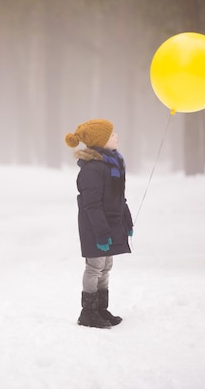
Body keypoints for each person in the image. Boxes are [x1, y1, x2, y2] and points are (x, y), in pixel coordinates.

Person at [64, 119, 133, 329]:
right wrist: (101, 233)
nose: (116, 136)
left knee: (106, 266)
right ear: (100, 141)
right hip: (95, 226)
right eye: (111, 134)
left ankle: (101, 309)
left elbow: (119, 198)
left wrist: (126, 221)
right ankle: (88, 312)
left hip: (110, 224)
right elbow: (91, 205)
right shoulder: (92, 169)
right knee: (95, 267)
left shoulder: (111, 164)